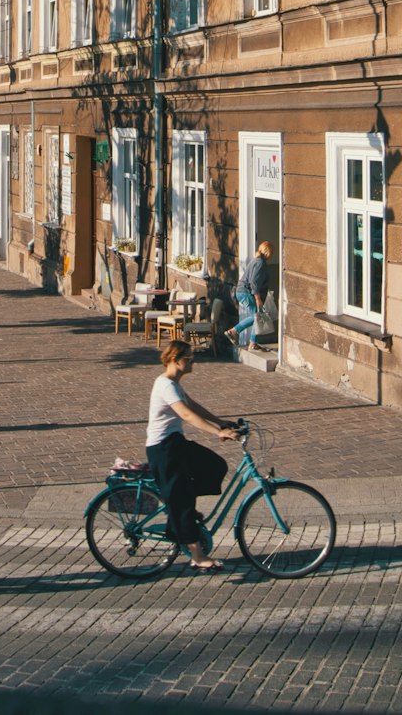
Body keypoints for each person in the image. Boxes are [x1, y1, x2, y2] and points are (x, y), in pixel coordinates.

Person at [145, 338, 239, 572]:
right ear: (175, 360)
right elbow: (186, 415)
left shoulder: (174, 384)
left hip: (174, 444)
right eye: (189, 358)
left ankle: (181, 507)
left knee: (215, 466)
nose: (193, 362)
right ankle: (197, 555)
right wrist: (218, 432)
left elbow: (193, 405)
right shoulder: (166, 384)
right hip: (163, 449)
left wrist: (221, 421)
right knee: (182, 498)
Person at [226, 240, 273, 351]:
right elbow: (254, 282)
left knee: (257, 317)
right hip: (246, 293)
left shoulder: (256, 261)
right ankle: (234, 332)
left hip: (243, 292)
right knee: (256, 317)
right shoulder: (260, 263)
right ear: (268, 252)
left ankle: (252, 342)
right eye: (272, 252)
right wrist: (258, 298)